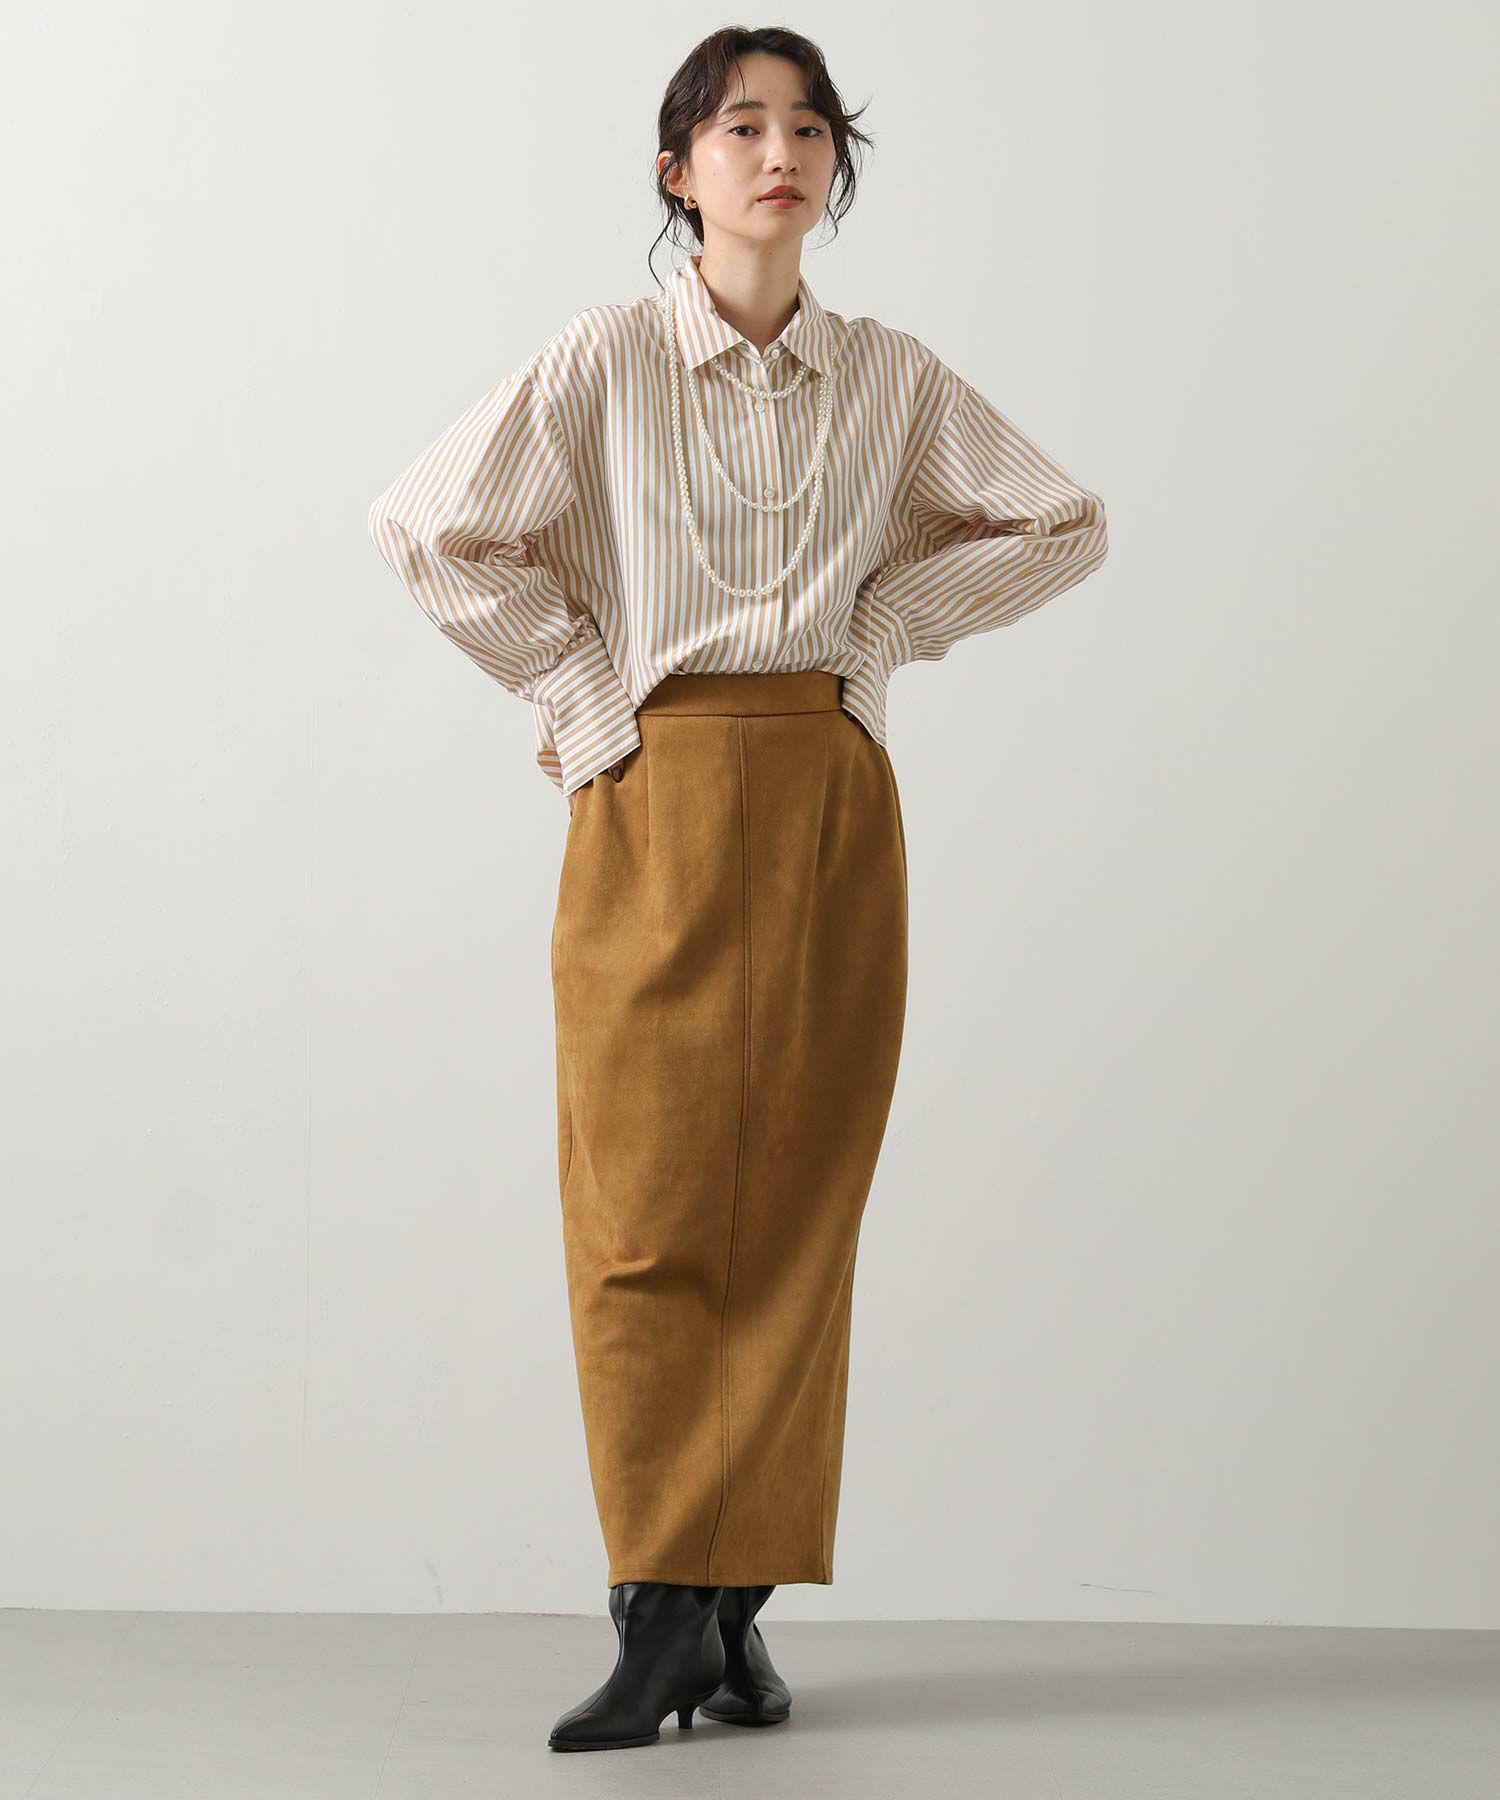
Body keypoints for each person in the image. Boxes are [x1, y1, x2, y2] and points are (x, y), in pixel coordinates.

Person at [367, 25, 1108, 1755]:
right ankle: (658, 1610)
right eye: (741, 125)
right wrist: (581, 693)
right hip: (655, 790)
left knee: (794, 1217)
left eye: (809, 127)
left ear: (836, 166)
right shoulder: (604, 359)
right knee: (644, 1218)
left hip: (830, 794)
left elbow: (1062, 520)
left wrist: (884, 628)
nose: (780, 153)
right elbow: (425, 524)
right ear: (677, 167)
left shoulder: (893, 377)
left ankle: (729, 1618)